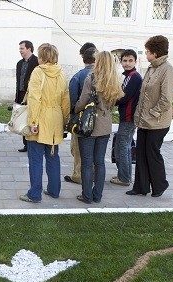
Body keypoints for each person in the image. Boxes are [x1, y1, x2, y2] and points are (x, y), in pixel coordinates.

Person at [19, 43, 69, 203]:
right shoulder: (62, 73)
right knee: (53, 156)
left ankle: (34, 194)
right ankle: (54, 190)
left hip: (40, 118)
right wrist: (65, 120)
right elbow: (66, 101)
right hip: (56, 119)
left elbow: (34, 99)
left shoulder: (38, 72)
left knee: (35, 158)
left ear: (42, 57)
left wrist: (32, 122)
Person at [127, 35, 173, 198]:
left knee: (152, 154)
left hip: (158, 122)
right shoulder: (151, 68)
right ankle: (141, 187)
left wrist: (154, 113)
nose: (146, 54)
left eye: (148, 51)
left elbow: (167, 98)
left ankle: (160, 185)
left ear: (155, 52)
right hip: (144, 120)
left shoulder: (167, 69)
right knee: (140, 153)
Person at [74, 51, 124, 204]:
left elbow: (83, 101)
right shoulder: (115, 80)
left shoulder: (92, 78)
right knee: (100, 162)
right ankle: (98, 195)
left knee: (87, 162)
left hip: (90, 124)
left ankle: (87, 195)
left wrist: (75, 109)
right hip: (105, 123)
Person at [64, 43, 96, 185]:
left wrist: (73, 112)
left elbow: (71, 99)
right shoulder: (106, 75)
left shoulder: (78, 76)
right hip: (100, 120)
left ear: (84, 58)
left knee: (78, 149)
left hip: (81, 119)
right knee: (95, 150)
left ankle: (78, 175)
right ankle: (94, 174)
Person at [111, 49, 142, 187]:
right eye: (125, 61)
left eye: (130, 61)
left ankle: (123, 178)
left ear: (135, 61)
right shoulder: (129, 76)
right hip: (128, 117)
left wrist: (110, 100)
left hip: (129, 117)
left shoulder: (133, 77)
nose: (127, 63)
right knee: (125, 147)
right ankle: (125, 175)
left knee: (122, 147)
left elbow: (123, 96)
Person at [14, 40, 39, 153]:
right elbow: (18, 81)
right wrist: (16, 97)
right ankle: (26, 144)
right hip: (21, 94)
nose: (20, 51)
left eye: (22, 48)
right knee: (23, 118)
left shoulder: (37, 62)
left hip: (32, 95)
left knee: (32, 118)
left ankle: (33, 143)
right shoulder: (19, 63)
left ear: (29, 49)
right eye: (20, 49)